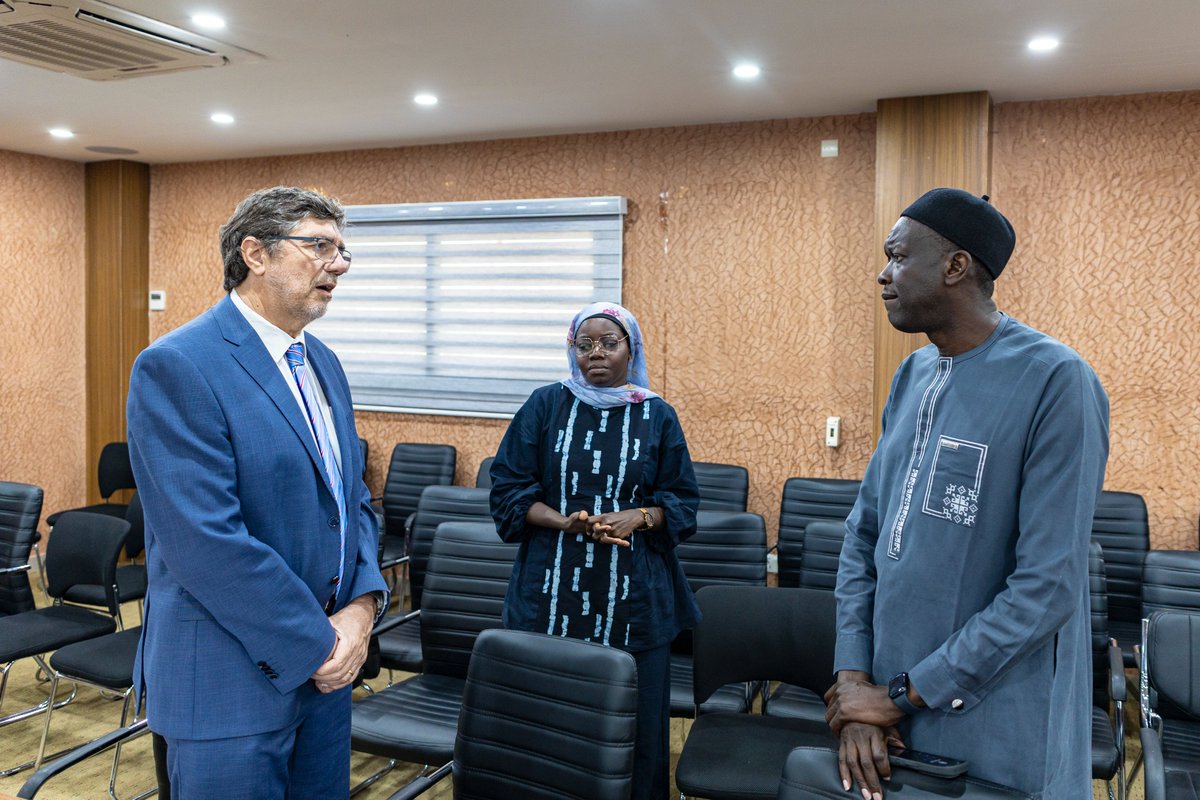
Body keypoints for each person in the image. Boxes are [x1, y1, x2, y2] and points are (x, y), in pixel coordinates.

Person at [824, 188, 1109, 800]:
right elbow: (863, 535)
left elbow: (1047, 587)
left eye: (898, 256)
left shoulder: (1057, 381)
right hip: (884, 708)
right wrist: (854, 688)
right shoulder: (914, 374)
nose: (882, 273)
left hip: (994, 713)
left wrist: (902, 695)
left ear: (955, 266)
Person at [127, 186, 389, 799]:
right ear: (256, 253)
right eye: (319, 246)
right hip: (229, 683)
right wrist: (322, 642)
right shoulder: (178, 365)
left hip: (327, 674)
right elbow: (205, 542)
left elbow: (351, 501)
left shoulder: (321, 360)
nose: (339, 265)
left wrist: (361, 608)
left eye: (343, 251)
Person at [489, 301, 700, 799]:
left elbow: (683, 502)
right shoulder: (545, 404)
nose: (596, 354)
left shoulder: (656, 414)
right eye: (584, 345)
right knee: (549, 721)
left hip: (634, 599)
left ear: (633, 349)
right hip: (550, 592)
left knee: (637, 730)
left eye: (610, 343)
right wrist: (565, 521)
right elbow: (508, 491)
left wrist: (642, 515)